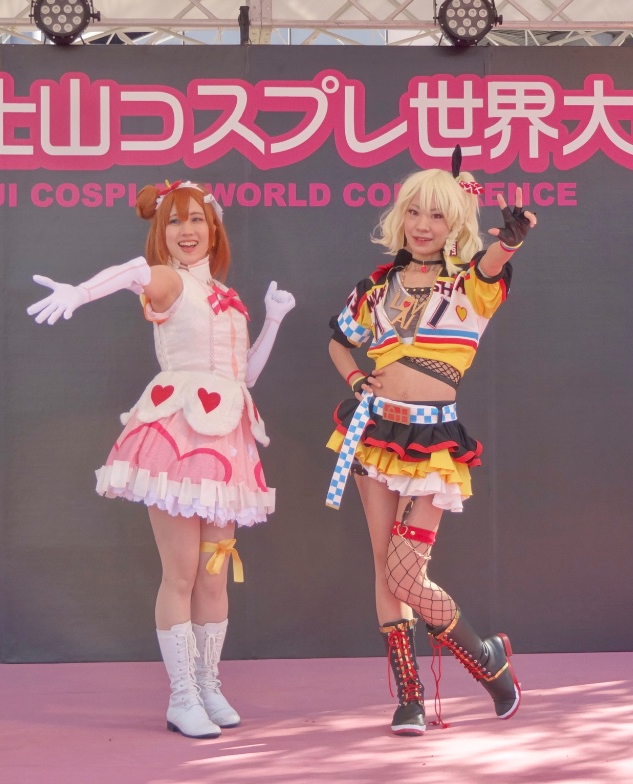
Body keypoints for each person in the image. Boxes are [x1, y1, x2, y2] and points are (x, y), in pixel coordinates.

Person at [28, 180, 295, 739]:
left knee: (215, 576)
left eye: (196, 219)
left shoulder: (225, 294)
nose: (187, 231)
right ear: (161, 232)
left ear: (213, 227)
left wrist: (273, 320)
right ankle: (182, 697)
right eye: (174, 221)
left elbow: (242, 377)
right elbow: (132, 272)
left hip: (226, 440)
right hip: (178, 436)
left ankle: (208, 685)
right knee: (182, 572)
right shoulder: (169, 279)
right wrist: (79, 293)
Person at [325, 160, 536, 735]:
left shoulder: (469, 284)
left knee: (405, 575)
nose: (422, 224)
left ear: (456, 223)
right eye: (414, 211)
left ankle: (486, 657)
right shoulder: (376, 287)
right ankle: (409, 697)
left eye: (437, 215)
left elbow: (491, 266)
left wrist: (509, 243)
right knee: (383, 567)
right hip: (374, 433)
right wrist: (356, 380)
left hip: (434, 442)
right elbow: (340, 341)